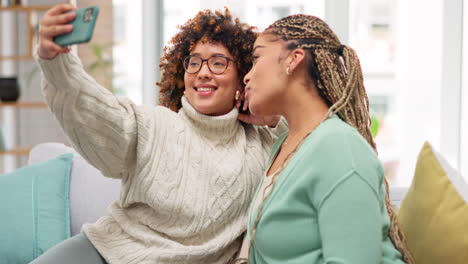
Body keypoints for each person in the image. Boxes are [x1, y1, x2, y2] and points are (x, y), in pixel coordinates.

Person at [32, 3, 287, 264]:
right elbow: (93, 111)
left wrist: (274, 116)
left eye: (218, 63)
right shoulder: (153, 126)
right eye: (194, 62)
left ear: (242, 76)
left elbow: (320, 140)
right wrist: (56, 61)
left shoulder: (263, 143)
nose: (203, 72)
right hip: (105, 253)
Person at [235, 14, 415, 264]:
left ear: (293, 59)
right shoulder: (286, 144)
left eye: (256, 59)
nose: (247, 76)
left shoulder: (340, 149)